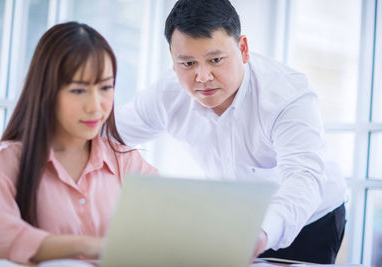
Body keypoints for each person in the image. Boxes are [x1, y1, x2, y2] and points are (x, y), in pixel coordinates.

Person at [115, 0, 346, 263]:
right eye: (188, 63)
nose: (202, 77)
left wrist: (259, 234)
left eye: (215, 60)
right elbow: (109, 132)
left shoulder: (286, 95)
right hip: (236, 221)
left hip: (310, 219)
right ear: (172, 57)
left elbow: (303, 178)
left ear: (243, 49)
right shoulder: (166, 94)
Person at [0, 22, 156, 264]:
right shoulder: (8, 161)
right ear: (47, 91)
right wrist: (89, 246)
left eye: (105, 87)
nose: (95, 106)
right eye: (78, 90)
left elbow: (170, 223)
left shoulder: (126, 161)